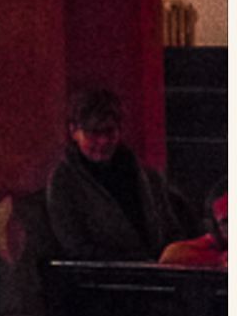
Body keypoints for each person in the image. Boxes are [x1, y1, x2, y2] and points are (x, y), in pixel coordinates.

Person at [45, 87, 192, 262]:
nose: (103, 141)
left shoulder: (146, 176)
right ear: (74, 131)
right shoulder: (63, 181)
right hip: (104, 280)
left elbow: (171, 231)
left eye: (109, 132)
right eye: (94, 133)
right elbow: (76, 247)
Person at [160, 178, 226, 270]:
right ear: (213, 228)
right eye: (227, 223)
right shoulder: (211, 246)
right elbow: (170, 256)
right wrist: (219, 261)